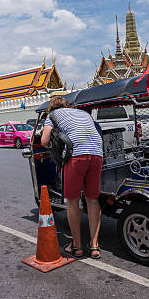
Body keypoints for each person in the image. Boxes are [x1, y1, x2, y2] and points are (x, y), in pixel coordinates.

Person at [41, 96, 103, 259]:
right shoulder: (83, 113)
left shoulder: (52, 116)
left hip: (76, 157)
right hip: (97, 154)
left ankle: (77, 246)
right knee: (92, 199)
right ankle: (94, 245)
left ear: (51, 108)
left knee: (73, 200)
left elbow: (44, 141)